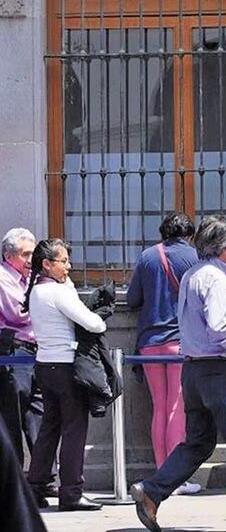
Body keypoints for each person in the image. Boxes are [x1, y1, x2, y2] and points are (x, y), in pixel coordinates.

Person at [130, 215, 226, 532]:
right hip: (218, 373)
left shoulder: (191, 274)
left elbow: (197, 327)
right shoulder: (216, 278)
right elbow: (218, 327)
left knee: (198, 443)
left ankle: (152, 491)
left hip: (193, 370)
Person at [24, 238, 106, 511]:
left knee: (50, 428)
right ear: (47, 264)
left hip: (45, 366)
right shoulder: (58, 294)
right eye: (63, 262)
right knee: (74, 431)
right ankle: (71, 492)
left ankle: (35, 488)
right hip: (67, 367)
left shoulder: (36, 291)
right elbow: (93, 323)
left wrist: (66, 282)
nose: (68, 267)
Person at [126, 213, 201, 495]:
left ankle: (161, 473)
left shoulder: (147, 256)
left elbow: (133, 299)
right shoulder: (194, 257)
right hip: (180, 341)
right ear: (189, 234)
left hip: (149, 340)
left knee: (160, 406)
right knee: (176, 407)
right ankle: (175, 479)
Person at [0, 228, 48, 477]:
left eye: (33, 253)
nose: (32, 259)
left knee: (39, 416)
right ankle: (13, 479)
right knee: (12, 418)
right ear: (10, 256)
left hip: (34, 353)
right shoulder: (3, 278)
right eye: (25, 254)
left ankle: (44, 477)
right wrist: (45, 310)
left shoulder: (30, 279)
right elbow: (16, 314)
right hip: (13, 353)